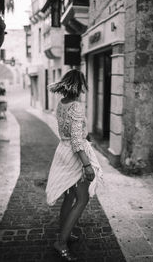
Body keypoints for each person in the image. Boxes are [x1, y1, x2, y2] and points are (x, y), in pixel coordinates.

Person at [46, 69, 103, 261]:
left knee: (69, 197)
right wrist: (87, 165)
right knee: (83, 198)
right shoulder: (76, 107)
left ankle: (65, 233)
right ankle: (61, 242)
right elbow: (78, 141)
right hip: (74, 155)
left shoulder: (61, 104)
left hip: (62, 150)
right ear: (80, 86)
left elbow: (69, 135)